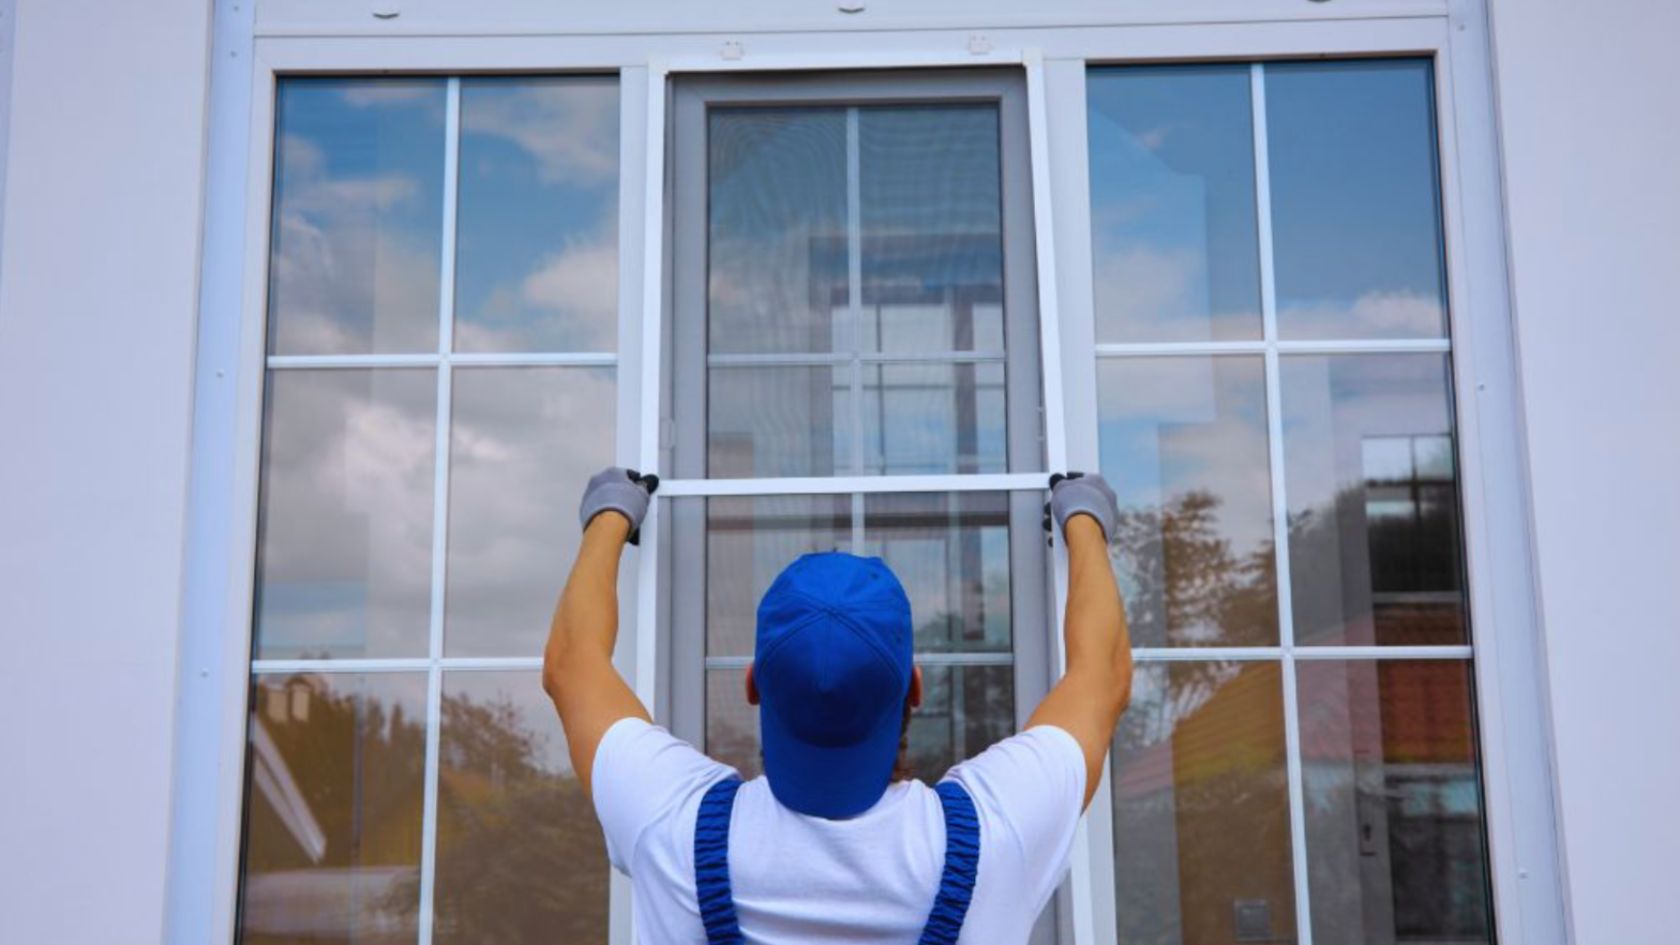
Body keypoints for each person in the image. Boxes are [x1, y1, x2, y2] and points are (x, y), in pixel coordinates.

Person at [543, 467, 1132, 944]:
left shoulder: (670, 821)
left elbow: (573, 666)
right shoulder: (997, 831)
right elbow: (1100, 676)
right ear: (916, 689)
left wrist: (612, 511)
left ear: (752, 683)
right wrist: (1081, 515)